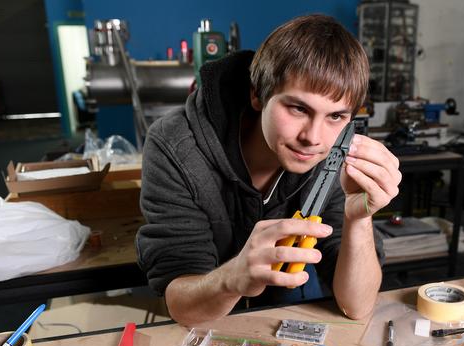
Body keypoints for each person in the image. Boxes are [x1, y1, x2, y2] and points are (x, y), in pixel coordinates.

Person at [136, 14, 401, 326]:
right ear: (257, 95)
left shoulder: (336, 155)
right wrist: (232, 279)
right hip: (205, 309)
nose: (313, 138)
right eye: (298, 108)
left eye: (336, 116)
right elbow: (180, 305)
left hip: (285, 304)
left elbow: (356, 307)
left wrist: (359, 218)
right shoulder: (175, 146)